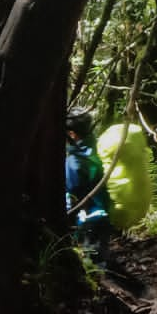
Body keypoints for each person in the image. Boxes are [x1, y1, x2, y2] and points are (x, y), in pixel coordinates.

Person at [64, 108, 113, 260]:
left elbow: (72, 195)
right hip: (103, 218)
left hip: (85, 222)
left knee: (90, 268)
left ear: (72, 134)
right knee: (99, 265)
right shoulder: (98, 151)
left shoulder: (74, 162)